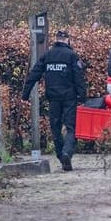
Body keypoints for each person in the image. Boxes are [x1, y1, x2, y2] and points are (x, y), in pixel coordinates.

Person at [21, 30, 87, 171]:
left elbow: (34, 74)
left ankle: (60, 155)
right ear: (67, 40)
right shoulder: (72, 56)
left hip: (53, 97)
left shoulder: (47, 55)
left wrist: (25, 94)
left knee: (55, 128)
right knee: (71, 127)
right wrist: (83, 97)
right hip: (69, 97)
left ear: (56, 40)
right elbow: (78, 77)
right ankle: (67, 153)